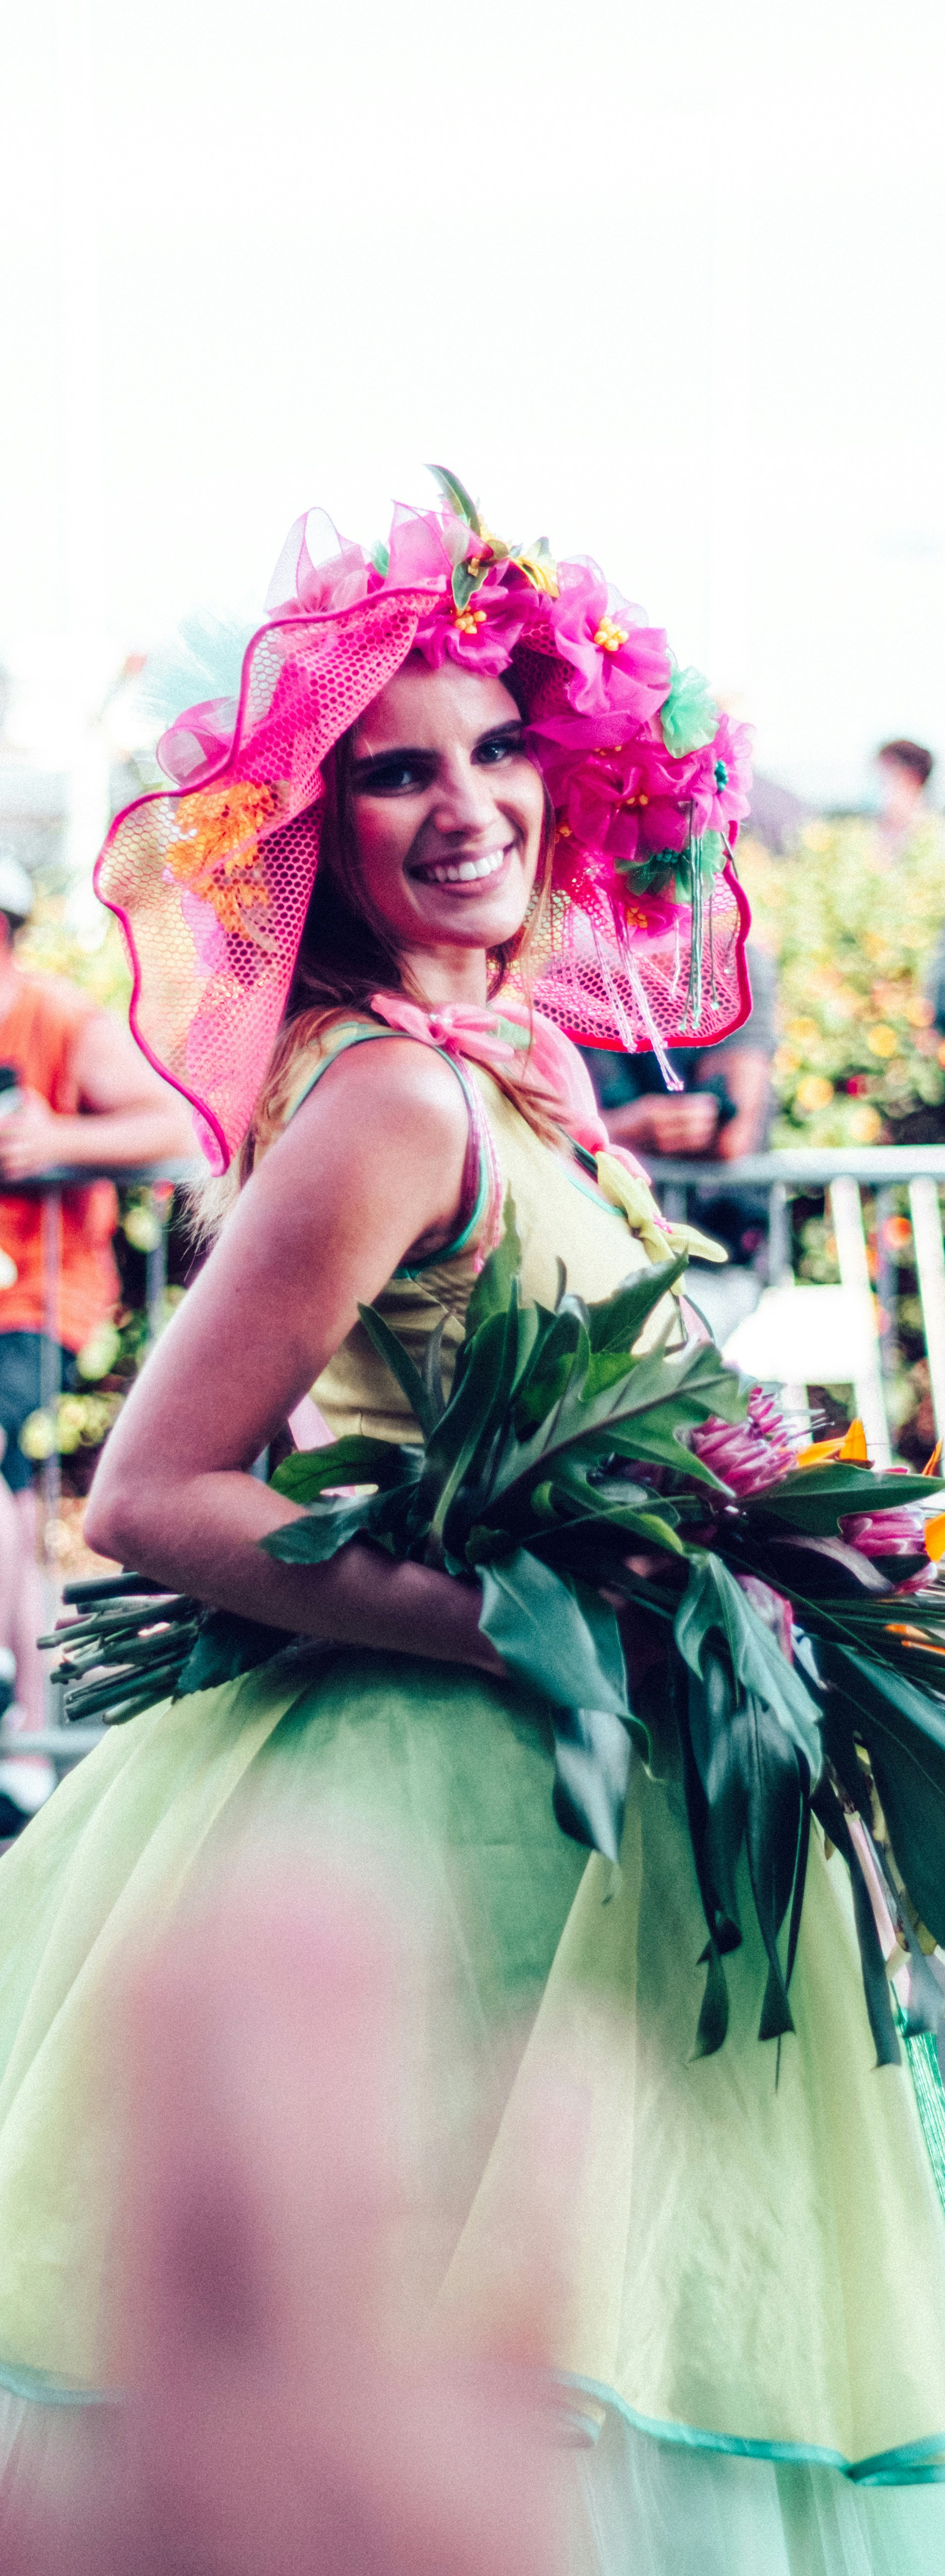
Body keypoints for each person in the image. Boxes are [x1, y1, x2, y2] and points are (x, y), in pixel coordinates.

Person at [0, 482, 942, 2576]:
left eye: (499, 751)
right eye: (393, 772)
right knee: (506, 2383)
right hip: (474, 1824)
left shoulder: (507, 1069)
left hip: (601, 1811)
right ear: (313, 831)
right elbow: (154, 1497)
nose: (463, 808)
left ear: (571, 776)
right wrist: (531, 1624)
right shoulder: (388, 1099)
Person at [0, 853, 194, 1778]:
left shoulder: (61, 1022)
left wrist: (58, 1140)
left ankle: (32, 1720)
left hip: (39, 1301)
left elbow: (180, 1127)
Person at [580, 943, 777, 1342]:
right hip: (593, 1248)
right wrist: (623, 1129)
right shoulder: (566, 966)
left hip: (710, 1263)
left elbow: (728, 1136)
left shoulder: (731, 960)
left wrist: (608, 1131)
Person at [875, 737, 935, 857]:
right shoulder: (880, 833)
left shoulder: (933, 838)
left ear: (912, 778)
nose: (881, 788)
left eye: (885, 778)